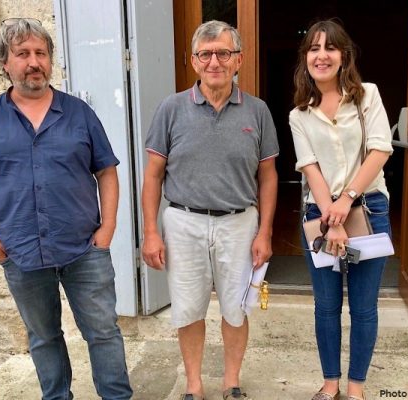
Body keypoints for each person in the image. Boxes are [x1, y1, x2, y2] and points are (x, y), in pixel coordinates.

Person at [0, 18, 132, 400]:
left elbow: (106, 170)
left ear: (50, 61)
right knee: (43, 337)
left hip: (84, 248)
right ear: (6, 63)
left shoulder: (79, 113)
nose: (33, 62)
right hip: (19, 251)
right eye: (23, 54)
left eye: (41, 53)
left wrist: (108, 228)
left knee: (103, 332)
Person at [142, 20, 279, 400]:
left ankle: (231, 381)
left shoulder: (258, 111)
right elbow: (153, 176)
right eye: (206, 54)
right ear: (193, 61)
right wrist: (151, 231)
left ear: (238, 60)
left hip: (240, 223)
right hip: (183, 221)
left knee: (236, 308)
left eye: (223, 53)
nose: (214, 61)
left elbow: (268, 176)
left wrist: (265, 231)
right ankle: (194, 385)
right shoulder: (170, 109)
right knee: (188, 308)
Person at [289, 19, 393, 400]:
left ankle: (356, 387)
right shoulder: (299, 114)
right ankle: (330, 383)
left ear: (343, 55)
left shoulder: (368, 95)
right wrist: (330, 217)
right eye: (313, 49)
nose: (321, 55)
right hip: (320, 216)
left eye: (329, 48)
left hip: (368, 209)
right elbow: (310, 166)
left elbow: (380, 149)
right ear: (306, 58)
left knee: (364, 308)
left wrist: (346, 200)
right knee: (326, 306)